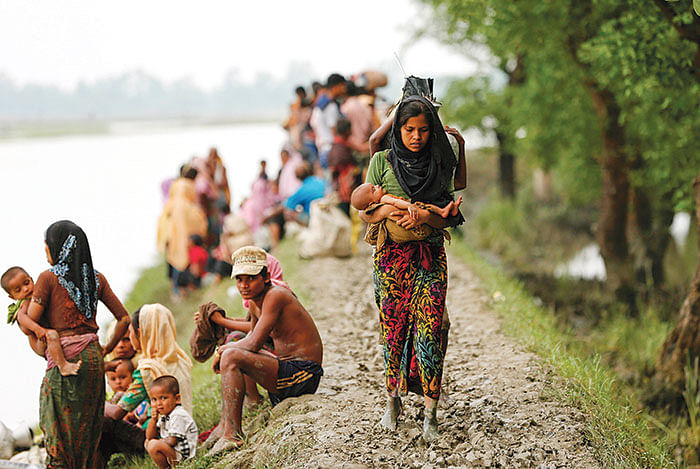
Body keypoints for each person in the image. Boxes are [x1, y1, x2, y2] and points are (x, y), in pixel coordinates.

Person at [360, 95, 465, 443]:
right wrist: (389, 211)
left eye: (423, 129)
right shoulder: (380, 162)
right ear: (398, 130)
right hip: (390, 260)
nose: (416, 136)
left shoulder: (438, 163)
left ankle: (430, 414)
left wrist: (424, 215)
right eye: (408, 129)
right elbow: (364, 211)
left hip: (430, 257)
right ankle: (393, 401)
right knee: (393, 331)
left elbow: (449, 213)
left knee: (431, 332)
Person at [20, 220, 130, 468]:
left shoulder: (47, 279)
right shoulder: (97, 278)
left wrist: (22, 312)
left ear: (58, 247)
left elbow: (30, 325)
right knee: (87, 432)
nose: (45, 252)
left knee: (58, 430)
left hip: (65, 363)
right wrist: (106, 349)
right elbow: (124, 318)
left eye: (46, 246)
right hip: (93, 359)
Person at [205, 246, 323, 454]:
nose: (244, 285)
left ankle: (232, 435)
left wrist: (223, 350)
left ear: (266, 277)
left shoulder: (276, 295)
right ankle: (225, 424)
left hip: (303, 376)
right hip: (286, 375)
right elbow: (250, 338)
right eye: (239, 279)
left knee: (232, 354)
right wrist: (227, 347)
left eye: (250, 278)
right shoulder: (254, 303)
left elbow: (253, 345)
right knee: (234, 347)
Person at [101, 304, 193, 463]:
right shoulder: (179, 358)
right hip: (186, 433)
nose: (129, 338)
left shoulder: (147, 370)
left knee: (104, 421)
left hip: (160, 439)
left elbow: (117, 412)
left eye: (130, 334)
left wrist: (98, 403)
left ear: (141, 333)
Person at [2, 266, 81, 376]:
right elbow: (21, 318)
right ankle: (63, 366)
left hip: (45, 335)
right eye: (18, 290)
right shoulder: (24, 303)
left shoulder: (38, 296)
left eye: (26, 283)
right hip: (39, 342)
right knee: (52, 334)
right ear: (12, 297)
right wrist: (38, 329)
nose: (25, 289)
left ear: (32, 280)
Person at [157, 167, 207, 297]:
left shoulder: (174, 191)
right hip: (185, 223)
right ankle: (188, 286)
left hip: (173, 226)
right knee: (186, 255)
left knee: (175, 254)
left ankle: (176, 289)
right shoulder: (189, 197)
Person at [145, 375, 198, 468]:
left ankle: (169, 467)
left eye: (163, 398)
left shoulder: (178, 415)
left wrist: (159, 441)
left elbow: (172, 441)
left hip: (184, 457)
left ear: (177, 399)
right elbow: (149, 436)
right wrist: (153, 419)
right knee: (148, 442)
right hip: (175, 452)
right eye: (154, 399)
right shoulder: (165, 416)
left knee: (153, 445)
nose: (158, 403)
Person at [351, 182, 463, 219]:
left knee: (428, 206)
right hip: (409, 207)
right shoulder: (384, 199)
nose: (377, 185)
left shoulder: (378, 205)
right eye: (373, 189)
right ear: (371, 203)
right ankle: (443, 212)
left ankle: (445, 211)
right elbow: (396, 202)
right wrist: (409, 206)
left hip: (410, 206)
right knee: (427, 206)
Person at [309, 73, 348, 168]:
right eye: (342, 86)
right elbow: (334, 131)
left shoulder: (320, 105)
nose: (344, 90)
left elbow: (313, 124)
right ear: (336, 86)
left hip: (322, 149)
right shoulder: (331, 106)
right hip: (330, 150)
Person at [283, 161, 327, 225]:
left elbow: (286, 205)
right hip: (328, 212)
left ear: (297, 177)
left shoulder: (302, 190)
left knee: (289, 213)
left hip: (316, 218)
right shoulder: (321, 181)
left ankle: (309, 229)